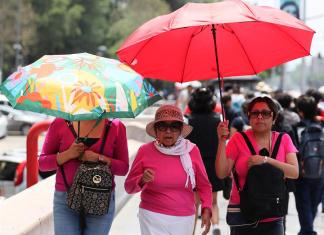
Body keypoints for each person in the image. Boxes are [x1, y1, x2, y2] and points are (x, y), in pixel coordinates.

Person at [216, 96, 299, 235]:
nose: (260, 117)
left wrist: (266, 160)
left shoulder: (284, 139)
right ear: (249, 117)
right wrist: (221, 141)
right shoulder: (238, 139)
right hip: (242, 213)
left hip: (273, 214)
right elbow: (221, 173)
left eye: (265, 113)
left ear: (274, 118)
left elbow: (294, 172)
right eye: (255, 113)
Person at [124, 104, 212, 235]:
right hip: (151, 216)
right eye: (162, 126)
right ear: (156, 130)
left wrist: (206, 208)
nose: (168, 131)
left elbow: (204, 185)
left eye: (174, 127)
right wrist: (142, 179)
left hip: (183, 218)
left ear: (181, 130)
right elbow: (129, 187)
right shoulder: (145, 151)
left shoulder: (192, 150)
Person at [38, 117, 129, 235]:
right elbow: (42, 164)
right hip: (65, 197)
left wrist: (99, 158)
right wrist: (68, 154)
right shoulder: (60, 123)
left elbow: (123, 168)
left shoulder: (116, 126)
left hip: (101, 198)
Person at [186, 87, 223, 235]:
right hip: (213, 163)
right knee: (213, 201)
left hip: (193, 165)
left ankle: (192, 232)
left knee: (194, 204)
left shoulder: (187, 121)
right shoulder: (218, 119)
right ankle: (215, 226)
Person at [293, 95, 324, 235]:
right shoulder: (322, 127)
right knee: (313, 203)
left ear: (301, 112)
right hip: (320, 171)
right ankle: (307, 230)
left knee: (303, 204)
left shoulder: (297, 128)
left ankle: (308, 231)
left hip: (301, 172)